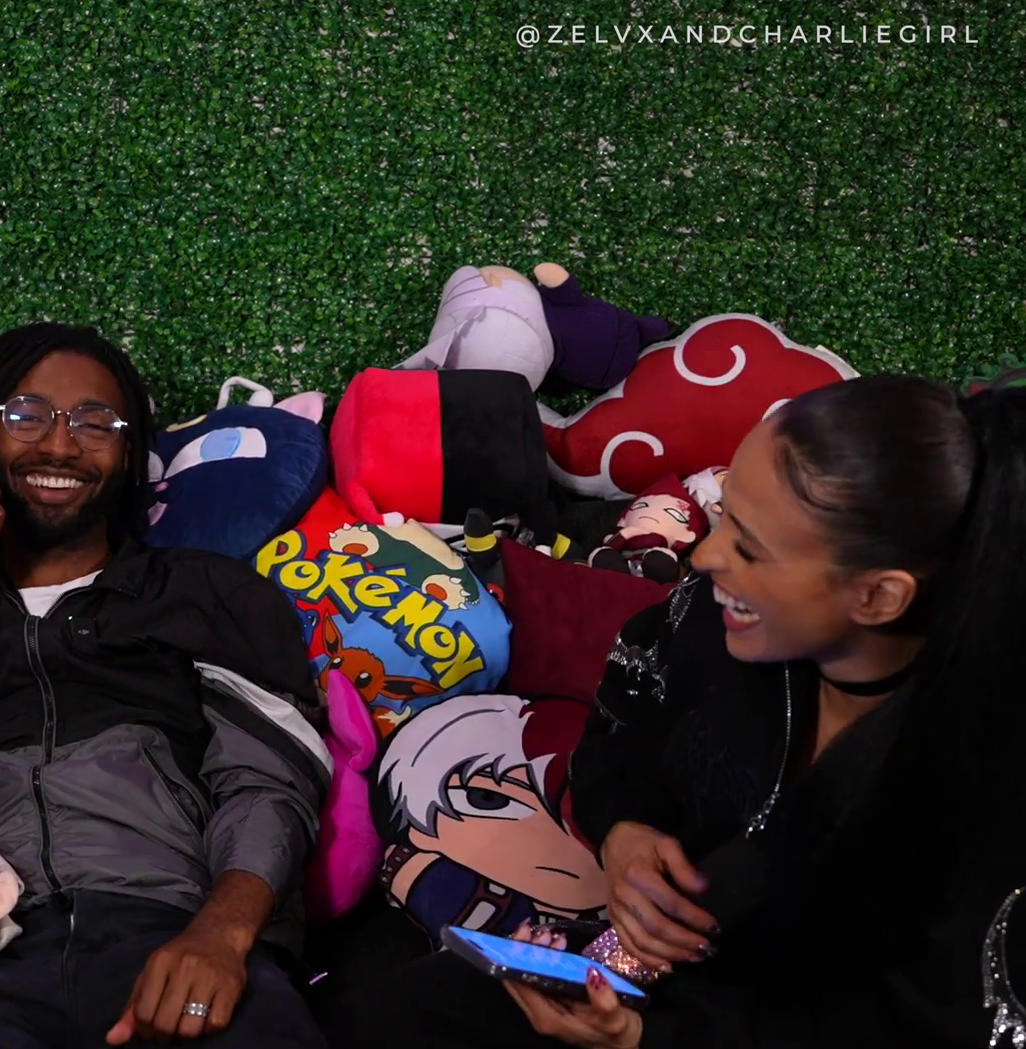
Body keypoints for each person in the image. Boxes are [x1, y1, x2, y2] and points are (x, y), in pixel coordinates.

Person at [362, 375, 1026, 1048]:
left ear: (879, 597)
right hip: (643, 977)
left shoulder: (982, 791)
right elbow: (620, 726)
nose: (705, 556)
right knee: (398, 1012)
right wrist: (624, 828)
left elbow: (909, 1024)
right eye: (724, 515)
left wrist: (642, 1041)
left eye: (748, 547)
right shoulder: (712, 620)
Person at [0, 322, 332, 1048]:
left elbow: (268, 787)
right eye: (25, 415)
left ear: (129, 453)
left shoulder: (208, 592)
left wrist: (222, 935)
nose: (59, 445)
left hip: (177, 931)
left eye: (94, 422)